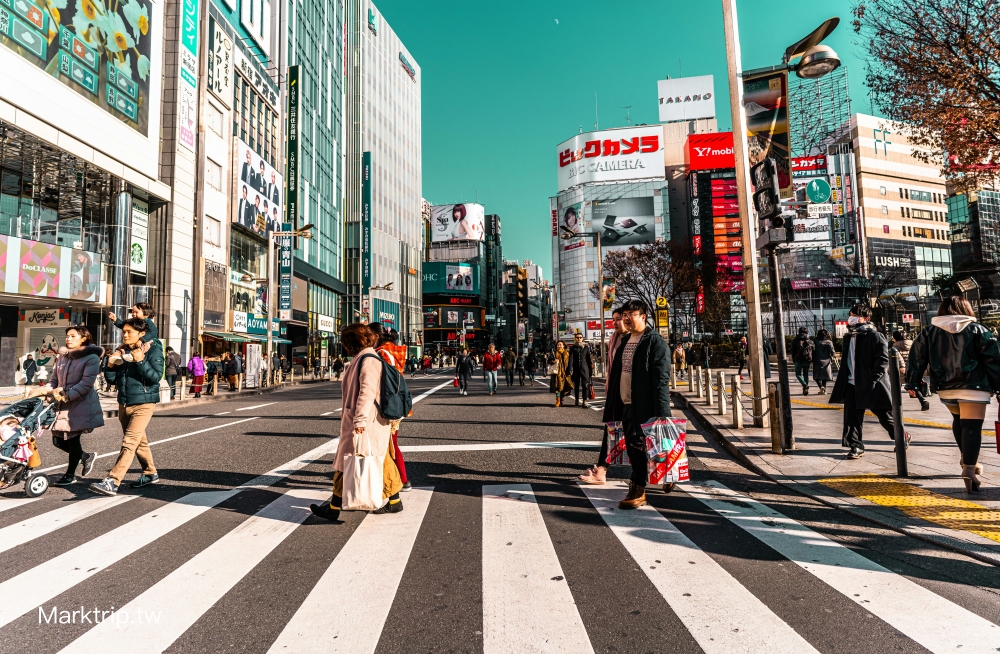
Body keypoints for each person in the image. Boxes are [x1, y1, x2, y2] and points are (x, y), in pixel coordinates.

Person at [906, 296, 1000, 492]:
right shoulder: (978, 330)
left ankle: (967, 460)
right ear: (966, 308)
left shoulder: (929, 332)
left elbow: (917, 357)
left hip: (945, 385)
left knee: (959, 420)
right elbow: (993, 360)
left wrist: (913, 382)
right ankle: (969, 469)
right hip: (974, 386)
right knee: (972, 427)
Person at [310, 323, 403, 520]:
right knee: (371, 460)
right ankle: (394, 500)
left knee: (351, 462)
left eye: (346, 342)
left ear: (352, 342)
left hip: (366, 422)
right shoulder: (364, 357)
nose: (344, 346)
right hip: (367, 421)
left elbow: (367, 392)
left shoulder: (368, 360)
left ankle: (334, 508)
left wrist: (359, 420)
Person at [90, 318, 163, 495]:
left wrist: (140, 361)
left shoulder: (153, 350)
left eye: (130, 332)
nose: (125, 335)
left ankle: (113, 481)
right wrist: (109, 365)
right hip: (124, 402)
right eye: (124, 331)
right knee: (139, 442)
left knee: (129, 442)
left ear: (142, 334)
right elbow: (112, 381)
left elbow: (155, 378)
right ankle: (150, 472)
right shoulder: (122, 351)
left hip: (144, 403)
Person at [615, 300, 672, 510]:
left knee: (644, 447)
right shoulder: (626, 340)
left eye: (632, 313)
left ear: (643, 316)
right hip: (628, 404)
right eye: (625, 314)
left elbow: (661, 381)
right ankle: (660, 475)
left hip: (646, 405)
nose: (627, 318)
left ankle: (639, 488)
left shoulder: (654, 342)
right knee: (634, 448)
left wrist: (663, 414)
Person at [829, 304, 905, 459]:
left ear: (866, 318)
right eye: (851, 314)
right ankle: (856, 445)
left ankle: (902, 437)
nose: (851, 318)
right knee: (852, 417)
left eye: (855, 315)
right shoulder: (849, 337)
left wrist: (873, 379)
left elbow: (883, 360)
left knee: (884, 416)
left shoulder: (875, 336)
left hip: (872, 384)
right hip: (851, 383)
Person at [46, 326, 101, 486]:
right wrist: (47, 391)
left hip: (80, 403)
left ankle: (69, 475)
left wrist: (66, 394)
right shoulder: (62, 357)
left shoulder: (91, 358)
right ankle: (85, 456)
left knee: (72, 439)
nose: (68, 339)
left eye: (72, 336)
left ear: (83, 338)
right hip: (61, 403)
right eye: (67, 336)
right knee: (57, 441)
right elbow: (54, 380)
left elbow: (86, 384)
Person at [580, 308, 627, 485]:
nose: (615, 323)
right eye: (613, 319)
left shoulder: (634, 339)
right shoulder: (615, 339)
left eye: (619, 319)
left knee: (640, 435)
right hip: (617, 391)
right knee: (611, 429)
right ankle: (601, 470)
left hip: (632, 394)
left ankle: (664, 470)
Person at [373, 324, 411, 493]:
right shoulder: (395, 352)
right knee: (392, 444)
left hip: (386, 404)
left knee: (389, 445)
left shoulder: (381, 354)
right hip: (396, 403)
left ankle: (402, 480)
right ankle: (401, 479)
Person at [893, 330, 929, 411]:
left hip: (904, 370)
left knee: (901, 386)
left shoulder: (895, 347)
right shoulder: (912, 344)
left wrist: (902, 366)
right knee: (913, 385)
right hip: (914, 368)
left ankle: (897, 405)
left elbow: (898, 357)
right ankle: (923, 399)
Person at [568, 333, 594, 407]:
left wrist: (590, 369)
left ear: (582, 338)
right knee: (576, 385)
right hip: (576, 369)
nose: (579, 339)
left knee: (585, 385)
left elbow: (588, 359)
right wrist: (569, 369)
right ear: (575, 338)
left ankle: (584, 401)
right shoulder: (572, 348)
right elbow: (571, 359)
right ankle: (576, 399)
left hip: (584, 369)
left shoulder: (586, 348)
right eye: (577, 337)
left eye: (580, 337)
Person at [791, 327, 815, 395]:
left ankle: (804, 384)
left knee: (798, 374)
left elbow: (793, 351)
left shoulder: (795, 340)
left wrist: (793, 359)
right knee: (806, 374)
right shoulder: (810, 341)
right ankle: (805, 388)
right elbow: (813, 350)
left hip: (798, 360)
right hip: (807, 360)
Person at [812, 329, 835, 395]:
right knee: (824, 376)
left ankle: (821, 386)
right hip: (826, 360)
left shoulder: (815, 341)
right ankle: (823, 389)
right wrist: (833, 355)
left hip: (817, 360)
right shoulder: (829, 342)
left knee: (817, 375)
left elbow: (813, 350)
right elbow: (832, 350)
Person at [552, 341, 572, 407]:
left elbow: (570, 363)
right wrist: (553, 361)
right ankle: (558, 400)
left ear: (564, 345)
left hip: (565, 373)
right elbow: (549, 361)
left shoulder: (567, 353)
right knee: (557, 387)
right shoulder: (554, 353)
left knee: (565, 387)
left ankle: (561, 399)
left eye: (560, 345)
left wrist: (570, 370)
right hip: (557, 373)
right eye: (558, 345)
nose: (559, 346)